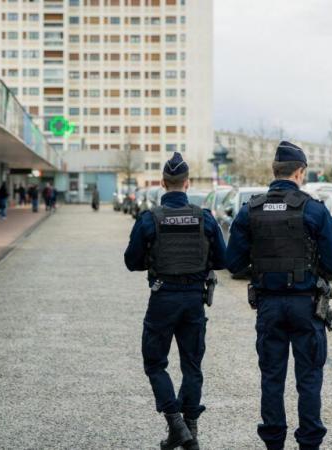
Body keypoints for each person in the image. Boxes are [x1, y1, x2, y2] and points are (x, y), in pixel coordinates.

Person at [225, 141, 332, 450]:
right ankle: (309, 444)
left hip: (269, 305)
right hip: (307, 306)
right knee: (309, 380)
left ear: (274, 171)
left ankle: (274, 443)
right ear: (300, 172)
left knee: (272, 378)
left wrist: (263, 267)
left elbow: (233, 263)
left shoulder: (250, 210)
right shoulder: (314, 210)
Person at [124, 152, 227, 450]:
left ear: (162, 183)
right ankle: (189, 429)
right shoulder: (204, 217)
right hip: (194, 299)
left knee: (155, 363)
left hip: (163, 297)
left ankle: (175, 423)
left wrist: (153, 259)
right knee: (192, 365)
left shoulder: (150, 219)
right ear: (187, 183)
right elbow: (222, 259)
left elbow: (131, 261)